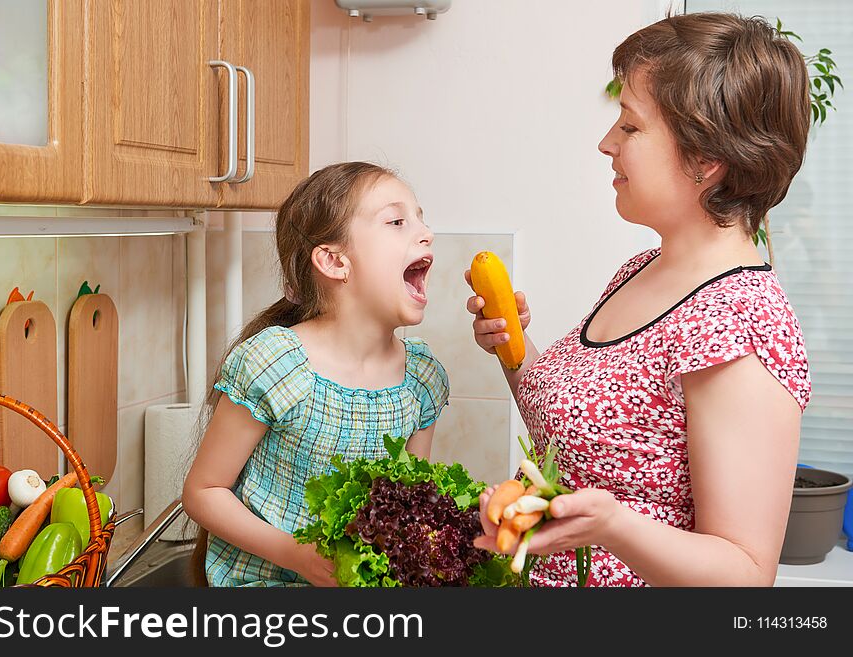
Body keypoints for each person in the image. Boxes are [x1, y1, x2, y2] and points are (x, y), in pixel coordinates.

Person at [468, 12, 812, 586]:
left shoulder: (739, 324)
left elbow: (745, 576)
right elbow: (588, 444)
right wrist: (514, 352)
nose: (607, 143)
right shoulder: (643, 270)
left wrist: (613, 527)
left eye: (630, 126)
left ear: (706, 159)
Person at [183, 161, 449, 587]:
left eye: (420, 217)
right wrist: (295, 555)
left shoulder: (420, 379)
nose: (425, 232)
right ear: (334, 261)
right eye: (397, 221)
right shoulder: (276, 363)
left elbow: (406, 505)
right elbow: (203, 492)